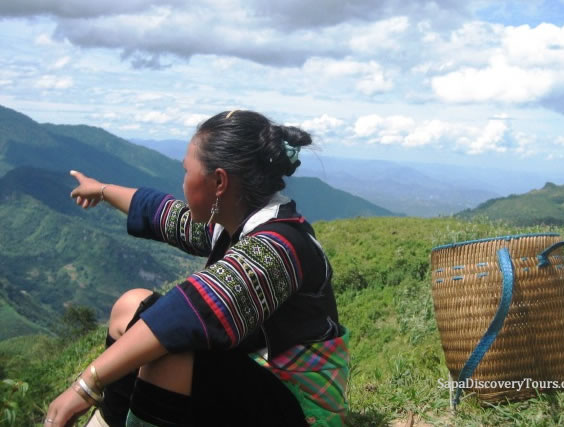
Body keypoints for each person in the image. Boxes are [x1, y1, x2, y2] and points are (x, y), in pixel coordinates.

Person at [45, 110, 349, 427]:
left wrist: (87, 383)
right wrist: (103, 190)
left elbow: (192, 313)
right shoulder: (235, 221)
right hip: (255, 381)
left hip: (303, 409)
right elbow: (164, 214)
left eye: (187, 171)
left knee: (173, 347)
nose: (183, 181)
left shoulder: (278, 246)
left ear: (219, 182)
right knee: (130, 306)